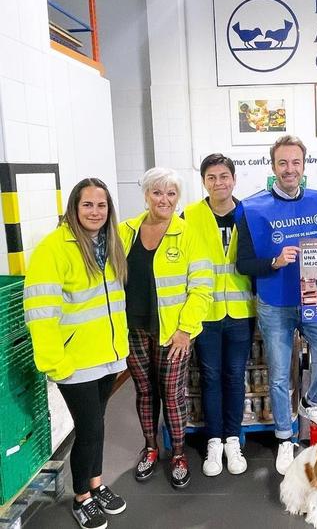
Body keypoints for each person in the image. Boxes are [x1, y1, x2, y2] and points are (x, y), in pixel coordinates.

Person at [235, 135, 317, 475]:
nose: (289, 169)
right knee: (280, 375)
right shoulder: (252, 208)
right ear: (273, 167)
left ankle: (311, 403)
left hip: (315, 300)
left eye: (295, 162)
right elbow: (244, 264)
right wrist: (274, 261)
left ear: (303, 164)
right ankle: (285, 439)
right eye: (282, 163)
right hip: (274, 304)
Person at [24, 178, 128, 529]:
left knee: (96, 426)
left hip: (107, 355)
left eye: (102, 205)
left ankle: (96, 485)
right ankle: (81, 497)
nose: (95, 211)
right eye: (88, 205)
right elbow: (39, 311)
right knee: (88, 429)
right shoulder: (54, 248)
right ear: (74, 207)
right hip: (75, 362)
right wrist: (56, 362)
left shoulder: (110, 243)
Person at [119, 167, 213, 489]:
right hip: (133, 331)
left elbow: (202, 288)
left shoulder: (188, 234)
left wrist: (185, 330)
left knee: (172, 396)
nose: (164, 199)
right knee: (145, 392)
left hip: (173, 334)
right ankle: (150, 448)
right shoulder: (124, 231)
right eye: (157, 192)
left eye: (171, 193)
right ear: (145, 195)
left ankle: (178, 454)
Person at [183, 154, 255, 477]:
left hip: (240, 311)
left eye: (224, 176)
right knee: (210, 377)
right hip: (206, 312)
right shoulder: (190, 216)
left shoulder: (249, 214)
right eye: (211, 177)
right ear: (203, 181)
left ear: (234, 179)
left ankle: (232, 439)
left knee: (234, 375)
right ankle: (213, 440)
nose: (218, 183)